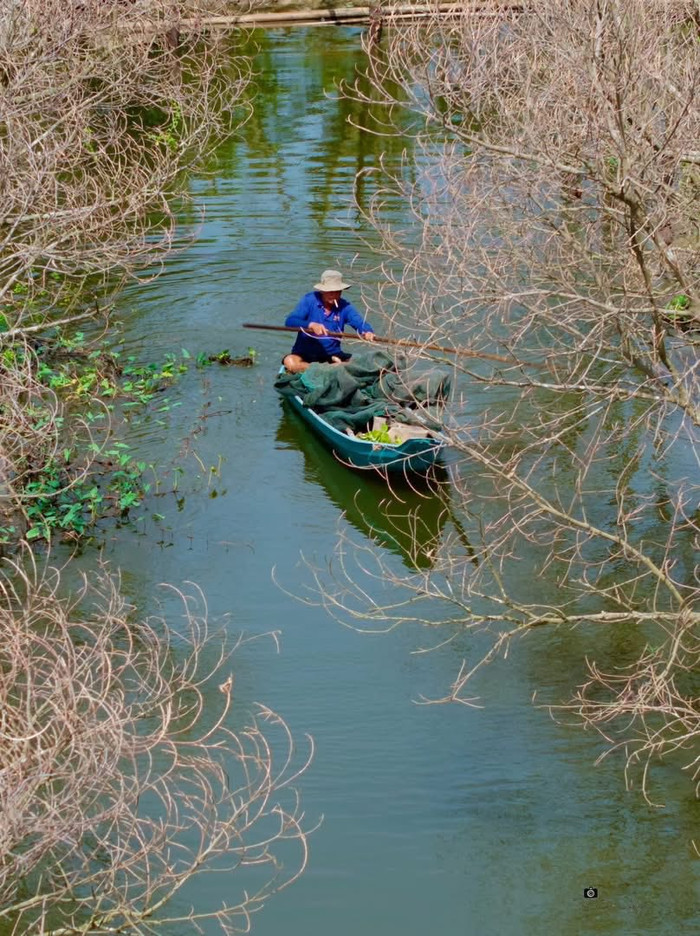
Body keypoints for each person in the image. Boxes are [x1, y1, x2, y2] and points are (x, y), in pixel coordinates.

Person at [282, 269, 375, 374]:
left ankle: (330, 367)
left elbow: (359, 322)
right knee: (290, 362)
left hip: (332, 355)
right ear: (322, 291)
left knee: (362, 362)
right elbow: (290, 321)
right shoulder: (309, 300)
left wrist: (367, 331)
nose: (334, 295)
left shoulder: (345, 306)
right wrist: (310, 325)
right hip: (304, 355)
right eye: (330, 292)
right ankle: (334, 368)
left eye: (337, 292)